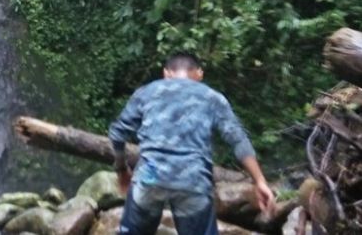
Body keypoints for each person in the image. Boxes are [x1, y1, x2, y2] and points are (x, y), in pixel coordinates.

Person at [108, 52, 275, 235]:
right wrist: (260, 181)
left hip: (150, 177)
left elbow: (117, 133)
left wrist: (122, 170)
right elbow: (238, 139)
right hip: (193, 182)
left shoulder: (147, 92)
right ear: (199, 74)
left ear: (166, 73)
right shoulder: (212, 98)